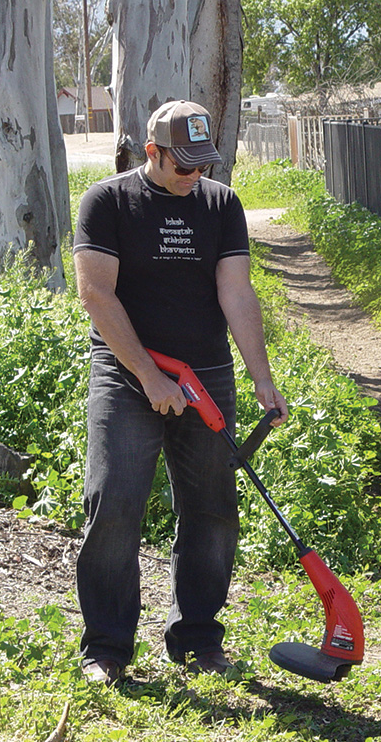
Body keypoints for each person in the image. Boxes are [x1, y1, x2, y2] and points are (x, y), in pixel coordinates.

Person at [72, 99, 289, 685]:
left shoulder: (219, 203)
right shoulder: (108, 202)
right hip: (127, 373)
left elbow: (237, 294)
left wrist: (262, 379)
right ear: (152, 153)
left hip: (207, 376)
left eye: (203, 164)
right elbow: (96, 295)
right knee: (114, 501)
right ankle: (108, 648)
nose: (195, 177)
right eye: (183, 165)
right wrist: (149, 376)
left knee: (212, 510)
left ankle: (196, 639)